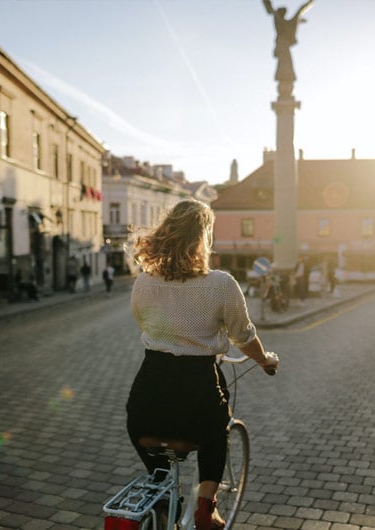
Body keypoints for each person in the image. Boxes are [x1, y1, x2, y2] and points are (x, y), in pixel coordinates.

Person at [126, 199, 279, 530]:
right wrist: (264, 360)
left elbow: (145, 325)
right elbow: (243, 336)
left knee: (142, 433)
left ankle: (163, 488)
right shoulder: (222, 284)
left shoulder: (145, 281)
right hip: (197, 391)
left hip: (148, 393)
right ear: (203, 236)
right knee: (216, 432)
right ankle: (206, 511)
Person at [262, 0, 315, 83]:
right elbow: (270, 8)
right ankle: (285, 82)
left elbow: (299, 12)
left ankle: (286, 82)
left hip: (282, 46)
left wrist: (298, 21)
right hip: (282, 46)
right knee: (284, 65)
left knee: (286, 65)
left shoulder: (283, 22)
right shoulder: (280, 21)